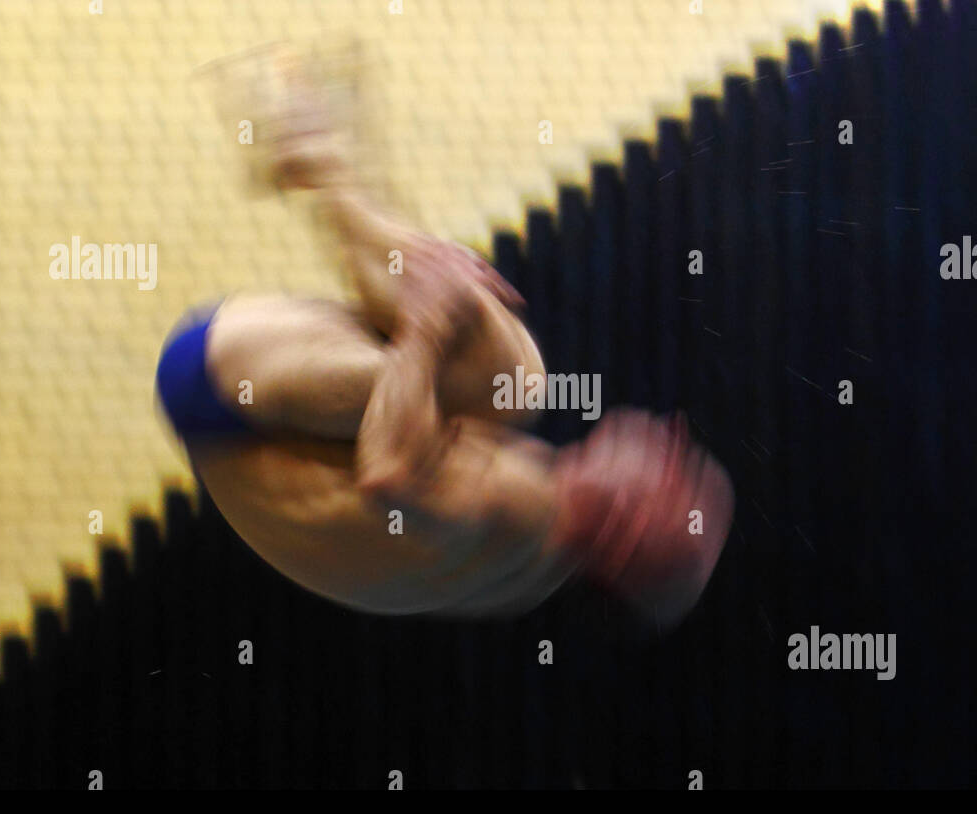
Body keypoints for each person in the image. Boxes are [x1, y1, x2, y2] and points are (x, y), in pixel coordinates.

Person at [155, 49, 733, 624]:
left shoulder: (520, 510)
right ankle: (322, 166)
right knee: (489, 371)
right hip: (235, 406)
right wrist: (433, 310)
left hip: (221, 389)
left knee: (503, 375)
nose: (675, 440)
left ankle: (320, 164)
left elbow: (391, 472)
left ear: (624, 529)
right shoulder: (537, 555)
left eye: (678, 476)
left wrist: (430, 322)